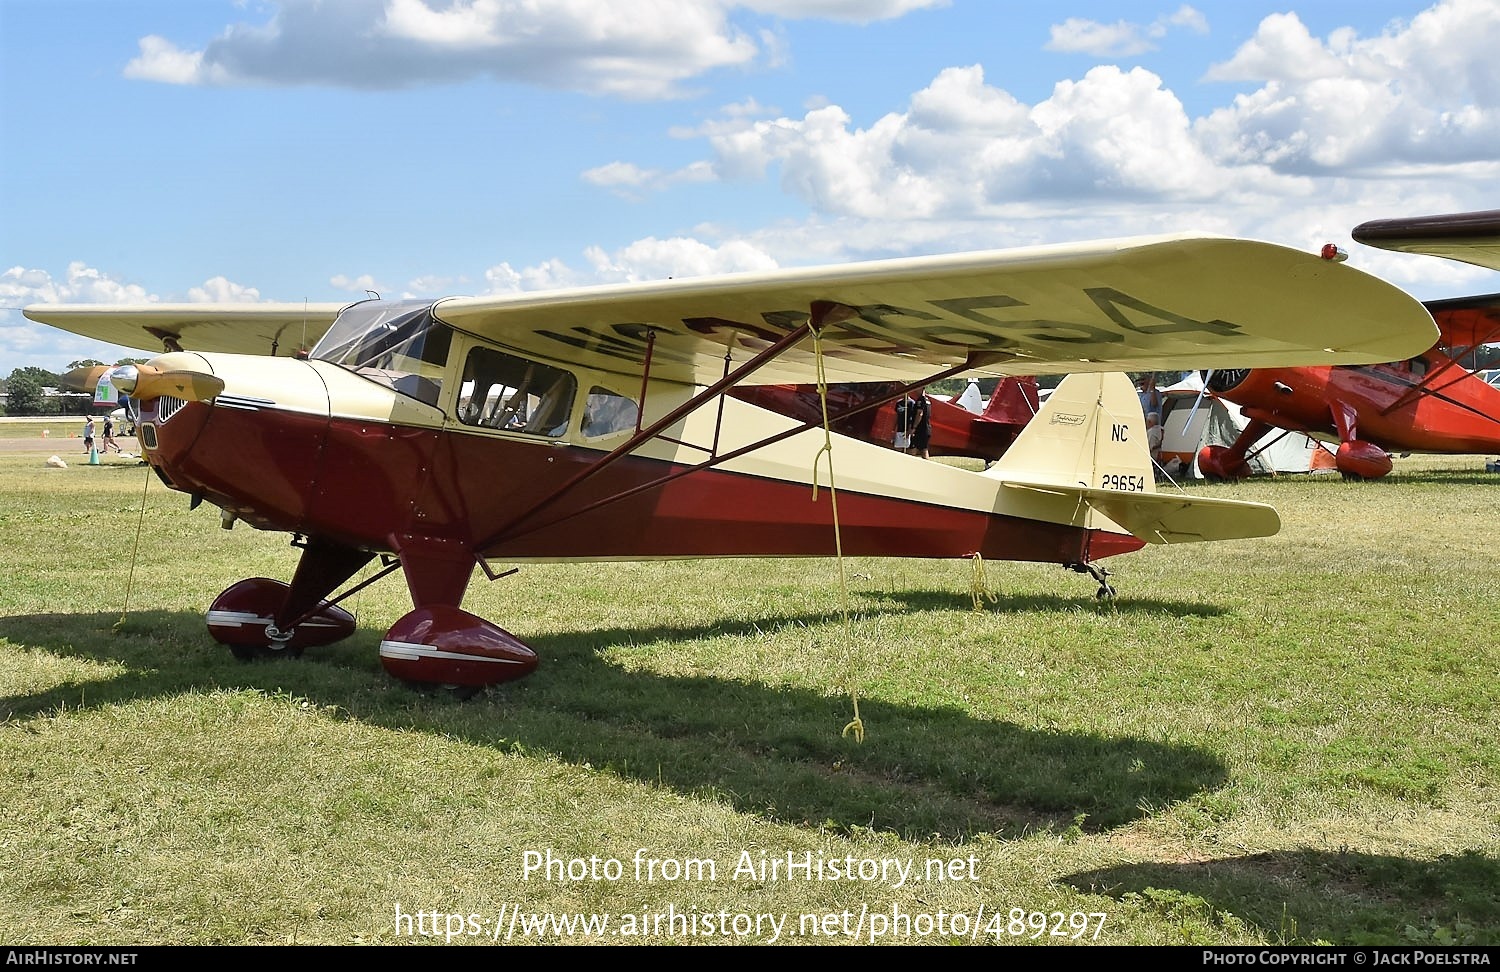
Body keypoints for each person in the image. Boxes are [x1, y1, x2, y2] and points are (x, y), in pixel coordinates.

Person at [895, 386, 933, 459]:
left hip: (921, 429)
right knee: (917, 449)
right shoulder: (927, 400)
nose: (915, 390)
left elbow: (919, 414)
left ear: (922, 388)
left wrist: (913, 428)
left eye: (917, 388)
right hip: (926, 428)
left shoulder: (920, 400)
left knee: (922, 451)